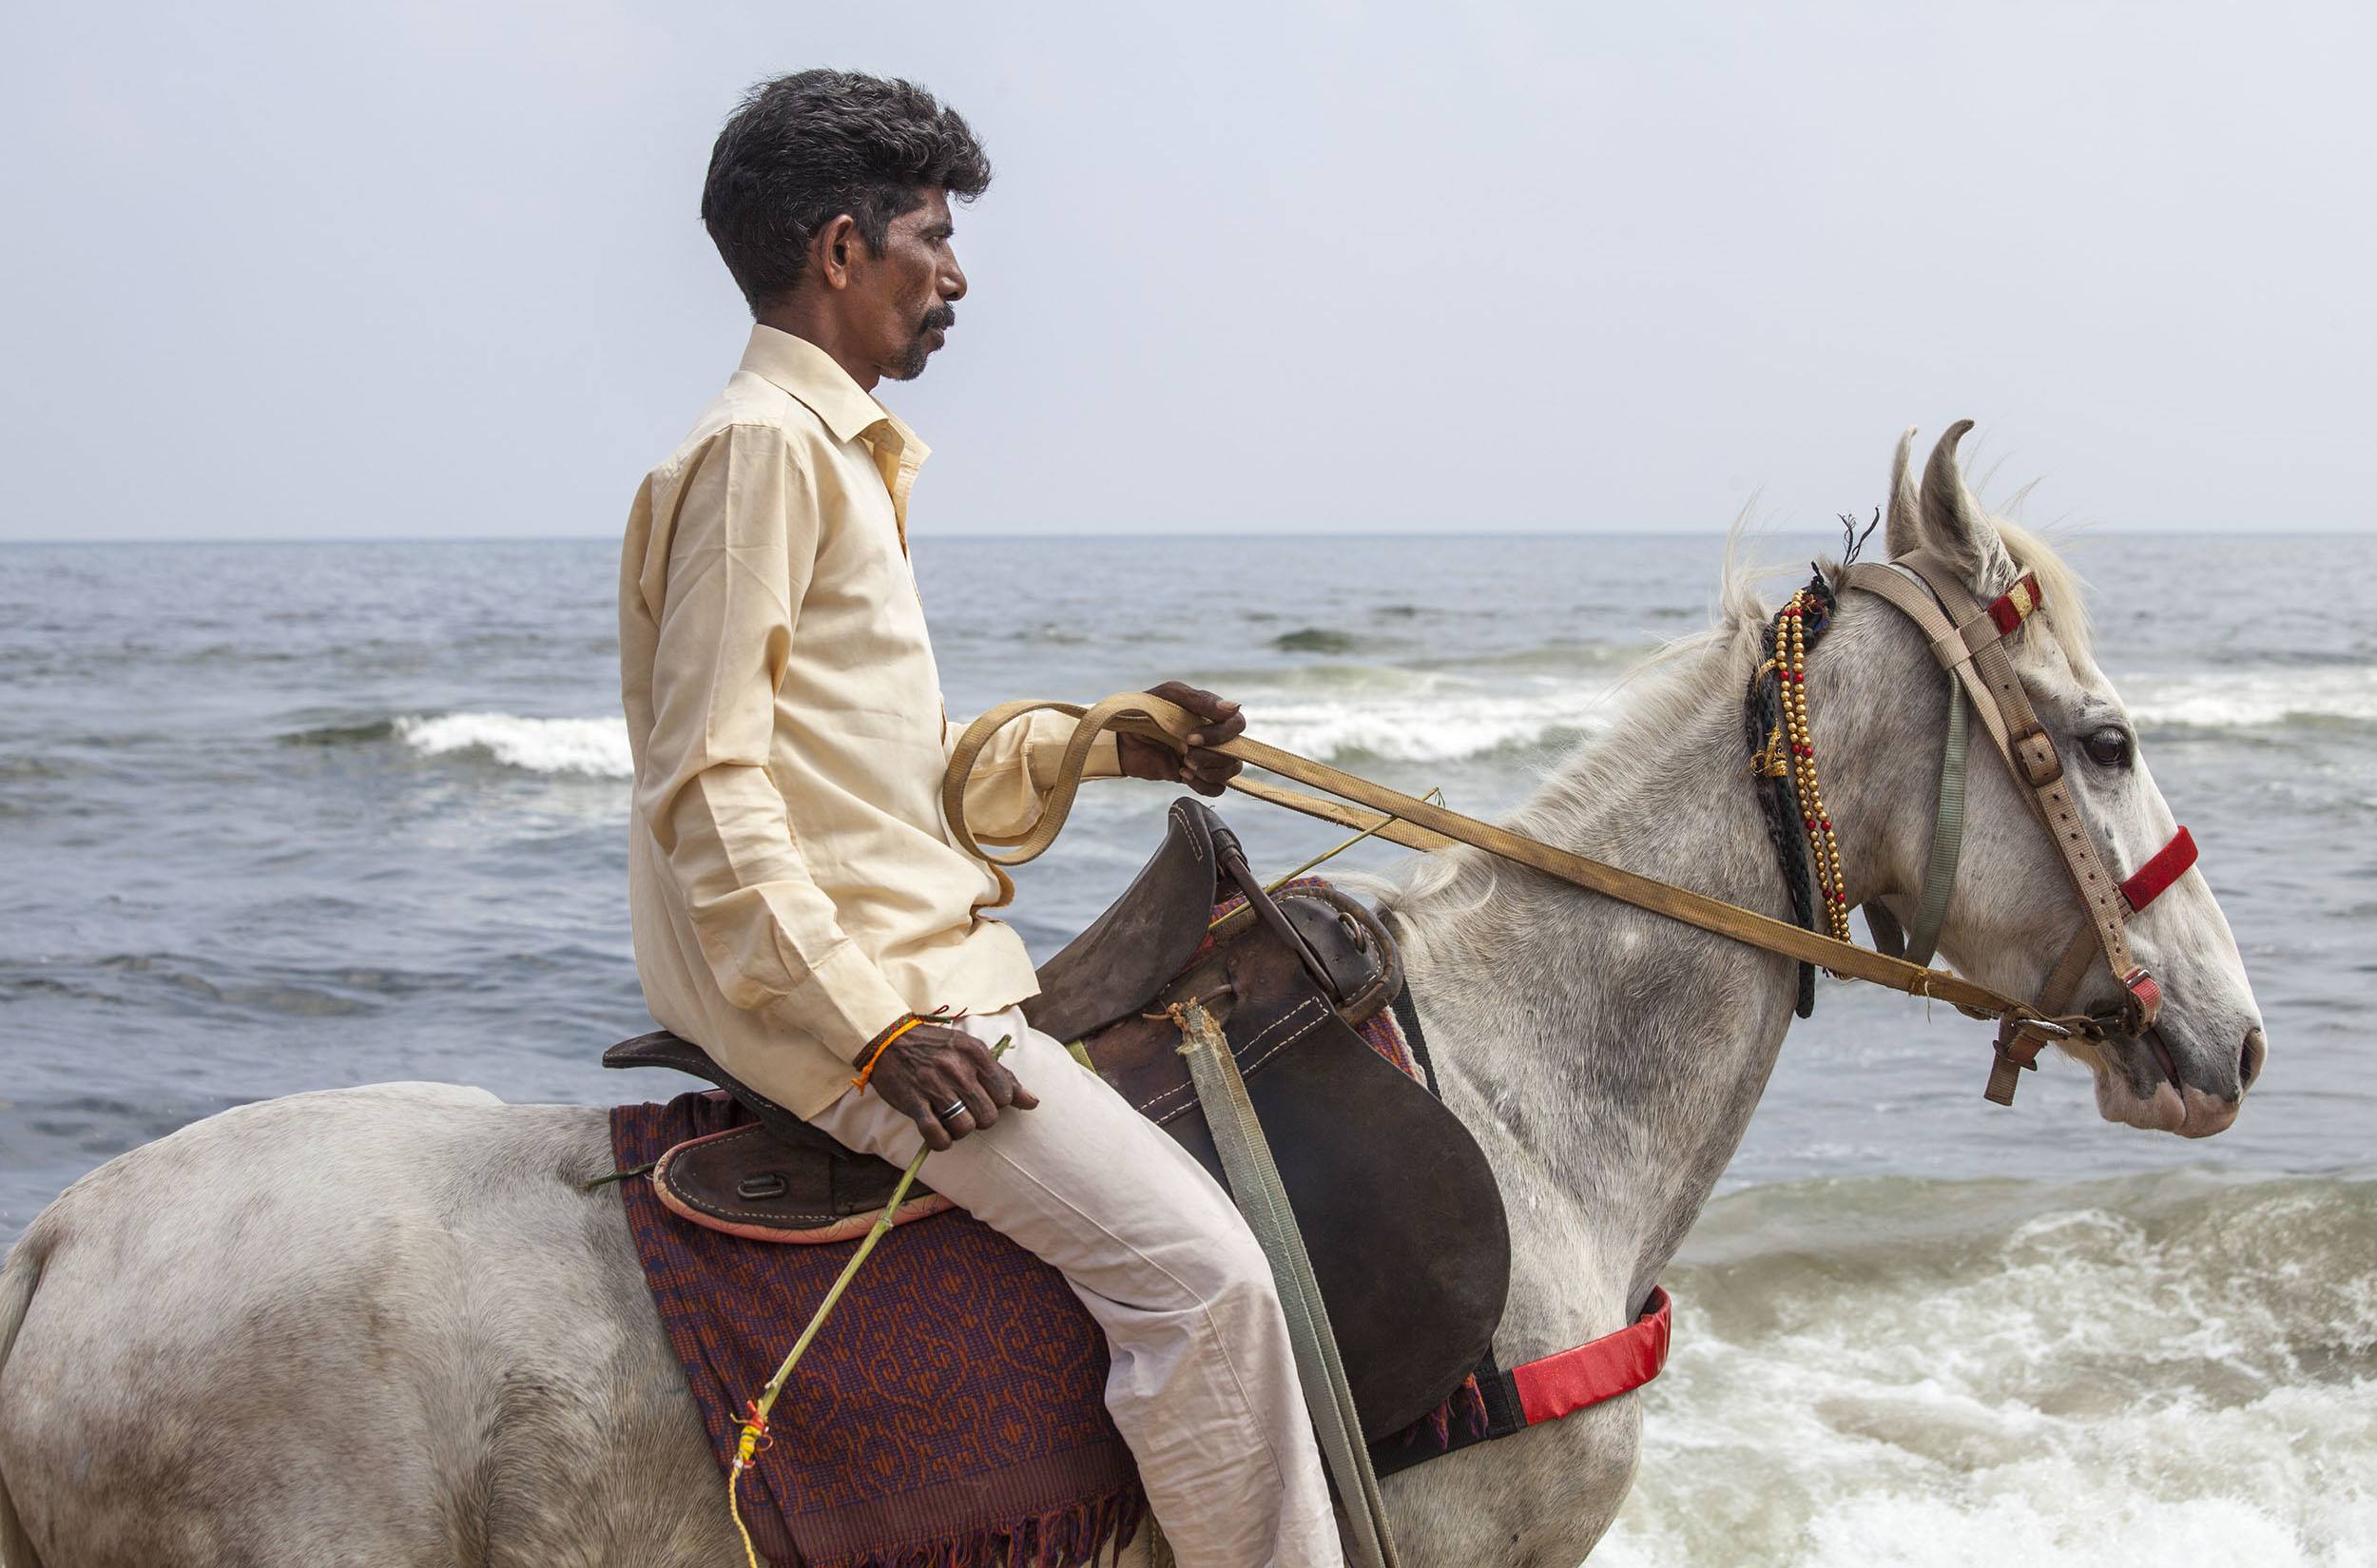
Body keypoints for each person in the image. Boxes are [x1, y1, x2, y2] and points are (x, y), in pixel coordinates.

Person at [616, 68, 1343, 1568]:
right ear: (839, 249)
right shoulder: (765, 451)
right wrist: (874, 1025)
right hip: (866, 1000)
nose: (955, 275)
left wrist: (1107, 743)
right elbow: (711, 782)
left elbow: (912, 775)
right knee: (1210, 1281)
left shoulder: (839, 458)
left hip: (910, 961)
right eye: (932, 237)